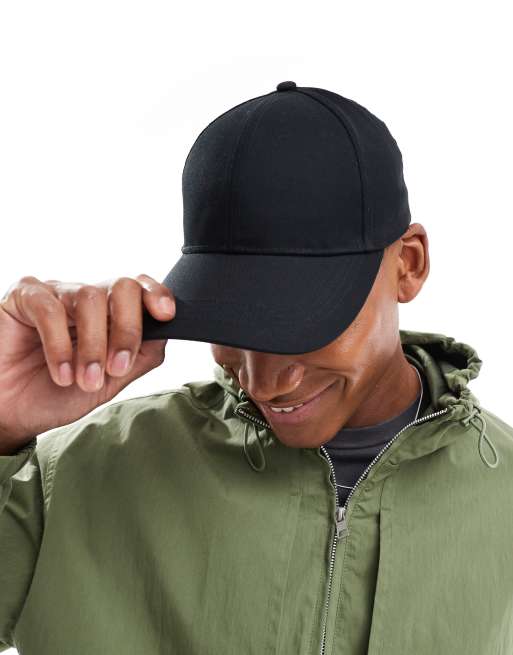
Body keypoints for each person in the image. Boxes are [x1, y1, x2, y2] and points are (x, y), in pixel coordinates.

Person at [0, 81, 511, 655]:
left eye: (302, 322)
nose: (263, 380)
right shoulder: (70, 480)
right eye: (234, 321)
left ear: (408, 265)